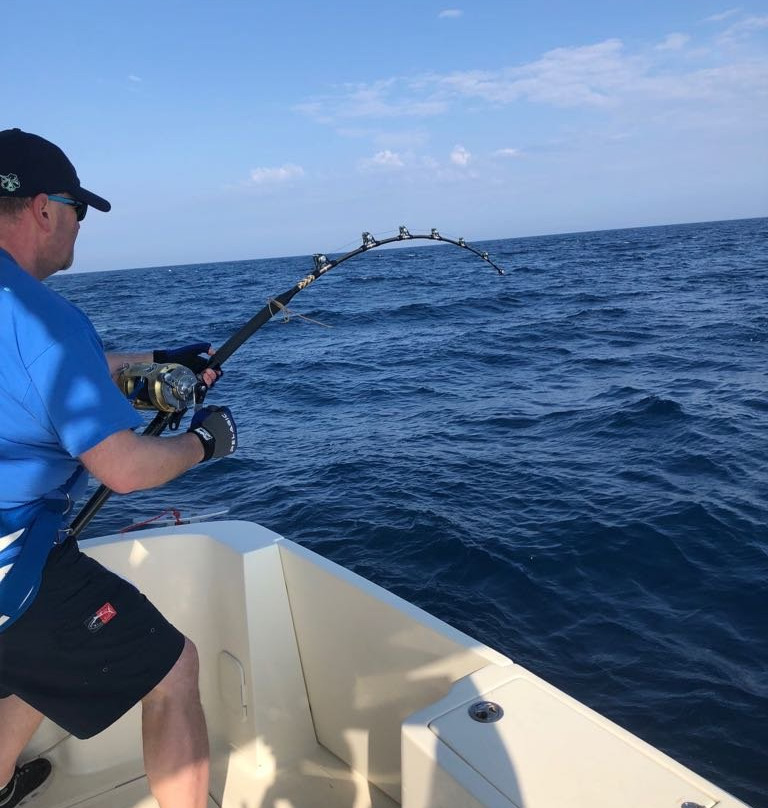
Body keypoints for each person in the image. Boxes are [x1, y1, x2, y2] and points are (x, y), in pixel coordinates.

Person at [0, 128, 237, 808]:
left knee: (28, 668)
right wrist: (206, 442)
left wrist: (154, 363)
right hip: (9, 563)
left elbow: (40, 377)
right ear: (45, 208)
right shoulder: (45, 318)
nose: (79, 227)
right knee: (172, 669)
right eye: (78, 210)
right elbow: (126, 469)